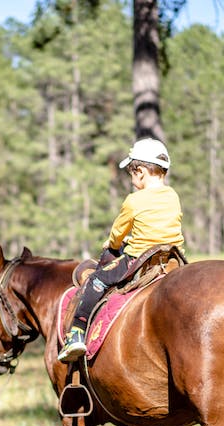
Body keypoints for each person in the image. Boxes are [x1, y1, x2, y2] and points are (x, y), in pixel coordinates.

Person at [58, 138, 185, 363]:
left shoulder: (134, 200)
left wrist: (112, 245)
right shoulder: (173, 195)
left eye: (131, 172)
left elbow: (117, 235)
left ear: (141, 172)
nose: (131, 177)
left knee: (96, 281)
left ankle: (76, 333)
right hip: (173, 257)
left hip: (141, 258)